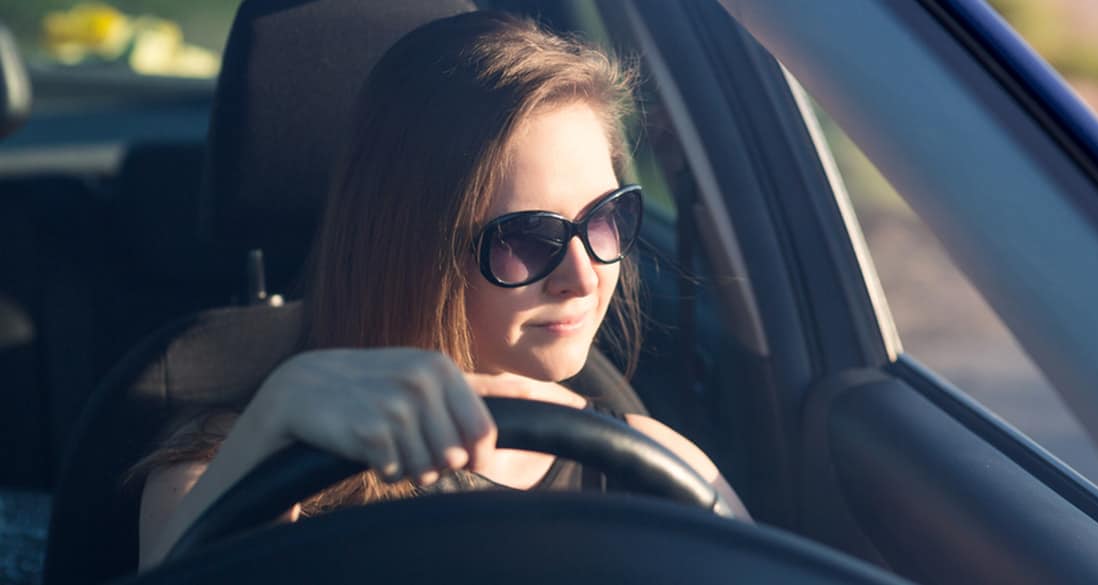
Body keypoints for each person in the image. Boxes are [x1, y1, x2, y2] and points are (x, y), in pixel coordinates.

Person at [135, 10, 749, 570]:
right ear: (410, 247)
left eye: (607, 218)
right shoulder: (214, 474)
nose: (584, 277)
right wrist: (273, 433)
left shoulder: (655, 469)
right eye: (526, 238)